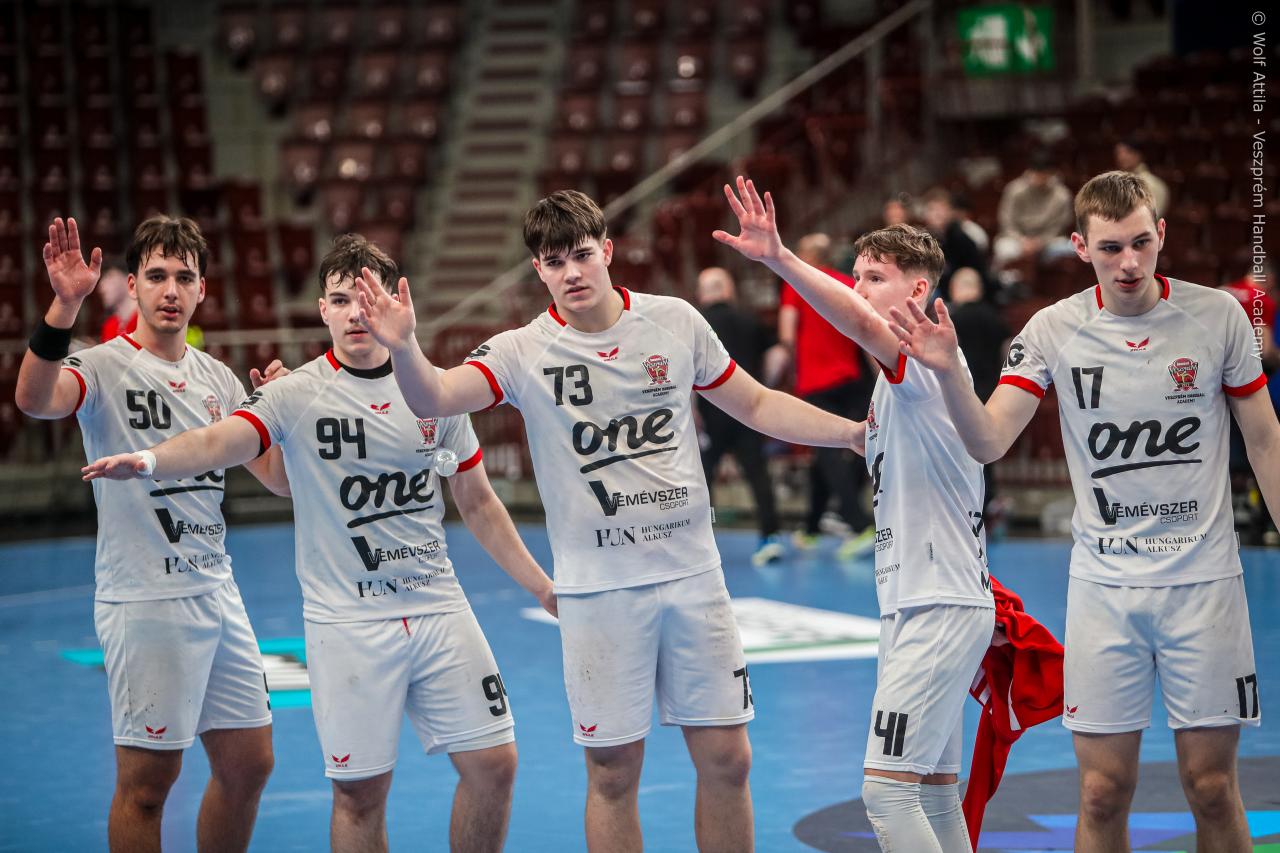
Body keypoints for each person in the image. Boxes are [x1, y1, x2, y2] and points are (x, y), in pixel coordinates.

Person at [352, 189, 863, 852]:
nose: (571, 272)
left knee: (728, 758)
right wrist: (403, 348)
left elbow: (759, 404)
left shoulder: (674, 322)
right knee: (614, 772)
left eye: (582, 255)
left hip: (693, 578)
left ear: (608, 251)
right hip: (599, 591)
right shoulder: (521, 350)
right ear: (538, 270)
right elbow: (437, 396)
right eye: (554, 261)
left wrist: (851, 433)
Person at [83, 234, 555, 853]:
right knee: (360, 795)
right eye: (341, 300)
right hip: (347, 621)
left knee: (496, 764)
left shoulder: (435, 393)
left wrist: (542, 586)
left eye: (367, 298)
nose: (356, 313)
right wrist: (150, 459)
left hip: (438, 606)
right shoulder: (294, 394)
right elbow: (218, 441)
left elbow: (480, 503)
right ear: (323, 310)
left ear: (393, 303)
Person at [889, 170, 1279, 852]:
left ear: (1162, 234)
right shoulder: (1053, 329)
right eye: (1110, 248)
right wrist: (949, 370)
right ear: (1079, 246)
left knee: (1213, 787)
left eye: (1140, 243)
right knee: (1101, 792)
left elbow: (1267, 439)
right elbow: (988, 440)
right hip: (1104, 588)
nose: (1128, 263)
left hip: (1204, 585)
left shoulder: (1218, 317)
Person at [715, 177, 995, 852]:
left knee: (887, 792)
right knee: (931, 791)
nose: (860, 289)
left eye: (875, 277)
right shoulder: (895, 383)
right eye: (858, 276)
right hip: (920, 602)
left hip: (937, 603)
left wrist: (780, 257)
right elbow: (773, 408)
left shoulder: (921, 354)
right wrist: (846, 433)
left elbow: (861, 323)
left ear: (918, 290)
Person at [14, 216, 288, 853]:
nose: (171, 290)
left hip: (217, 592)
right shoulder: (103, 366)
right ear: (133, 284)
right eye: (157, 275)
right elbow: (33, 398)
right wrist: (65, 304)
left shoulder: (219, 379)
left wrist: (280, 417)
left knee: (250, 764)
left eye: (184, 278)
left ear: (202, 291)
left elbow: (278, 480)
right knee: (147, 787)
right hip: (144, 598)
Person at [779, 233, 876, 558]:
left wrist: (791, 367)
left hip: (816, 381)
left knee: (828, 452)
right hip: (851, 378)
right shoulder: (847, 284)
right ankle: (811, 527)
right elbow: (865, 329)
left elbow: (786, 334)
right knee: (835, 452)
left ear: (807, 255)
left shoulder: (796, 284)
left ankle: (859, 524)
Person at [695, 266, 787, 565]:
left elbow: (683, 372)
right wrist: (763, 387)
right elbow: (778, 355)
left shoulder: (695, 323)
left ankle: (700, 542)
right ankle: (770, 538)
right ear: (729, 290)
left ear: (701, 293)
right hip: (747, 409)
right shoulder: (750, 320)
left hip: (711, 413)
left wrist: (692, 410)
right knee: (757, 474)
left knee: (702, 479)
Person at [948, 269, 1012, 520]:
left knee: (961, 452)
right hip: (992, 393)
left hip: (962, 395)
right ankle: (988, 501)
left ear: (955, 288)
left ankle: (966, 507)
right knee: (986, 451)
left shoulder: (952, 319)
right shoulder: (994, 317)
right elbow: (1009, 351)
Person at [992, 150, 1075, 272]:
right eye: (1036, 174)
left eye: (1044, 174)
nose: (1039, 178)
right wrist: (1022, 240)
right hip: (1017, 241)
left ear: (1051, 173)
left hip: (1048, 243)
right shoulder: (1014, 190)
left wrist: (1040, 242)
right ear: (1029, 172)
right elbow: (1007, 223)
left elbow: (1059, 227)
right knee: (1005, 249)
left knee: (1070, 249)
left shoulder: (1062, 195)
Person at [921, 187, 993, 302]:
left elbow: (976, 271)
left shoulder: (962, 238)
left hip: (962, 292)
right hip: (936, 291)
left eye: (942, 209)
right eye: (933, 209)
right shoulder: (922, 241)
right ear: (925, 215)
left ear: (950, 212)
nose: (938, 214)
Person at [1114, 139, 1170, 217]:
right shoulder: (1116, 182)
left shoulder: (1154, 185)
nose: (1121, 157)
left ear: (1139, 154)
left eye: (1128, 152)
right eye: (1118, 153)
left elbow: (1152, 218)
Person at [96, 261, 137, 342]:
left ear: (129, 279)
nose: (101, 287)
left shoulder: (148, 323)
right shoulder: (110, 326)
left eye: (109, 276)